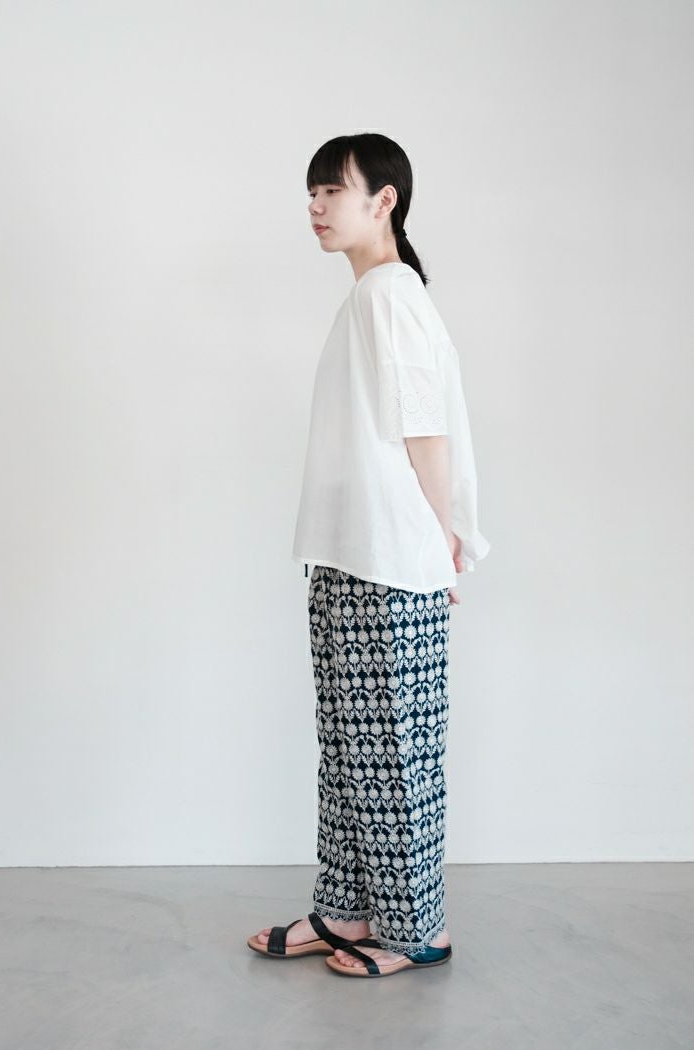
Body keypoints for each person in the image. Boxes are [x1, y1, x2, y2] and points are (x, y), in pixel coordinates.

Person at [247, 133, 490, 978]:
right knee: (350, 749)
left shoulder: (391, 294)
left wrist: (441, 542)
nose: (315, 207)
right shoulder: (370, 296)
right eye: (310, 193)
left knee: (392, 753)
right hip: (350, 554)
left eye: (331, 191)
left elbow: (426, 428)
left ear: (383, 201)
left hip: (391, 557)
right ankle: (347, 908)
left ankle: (418, 930)